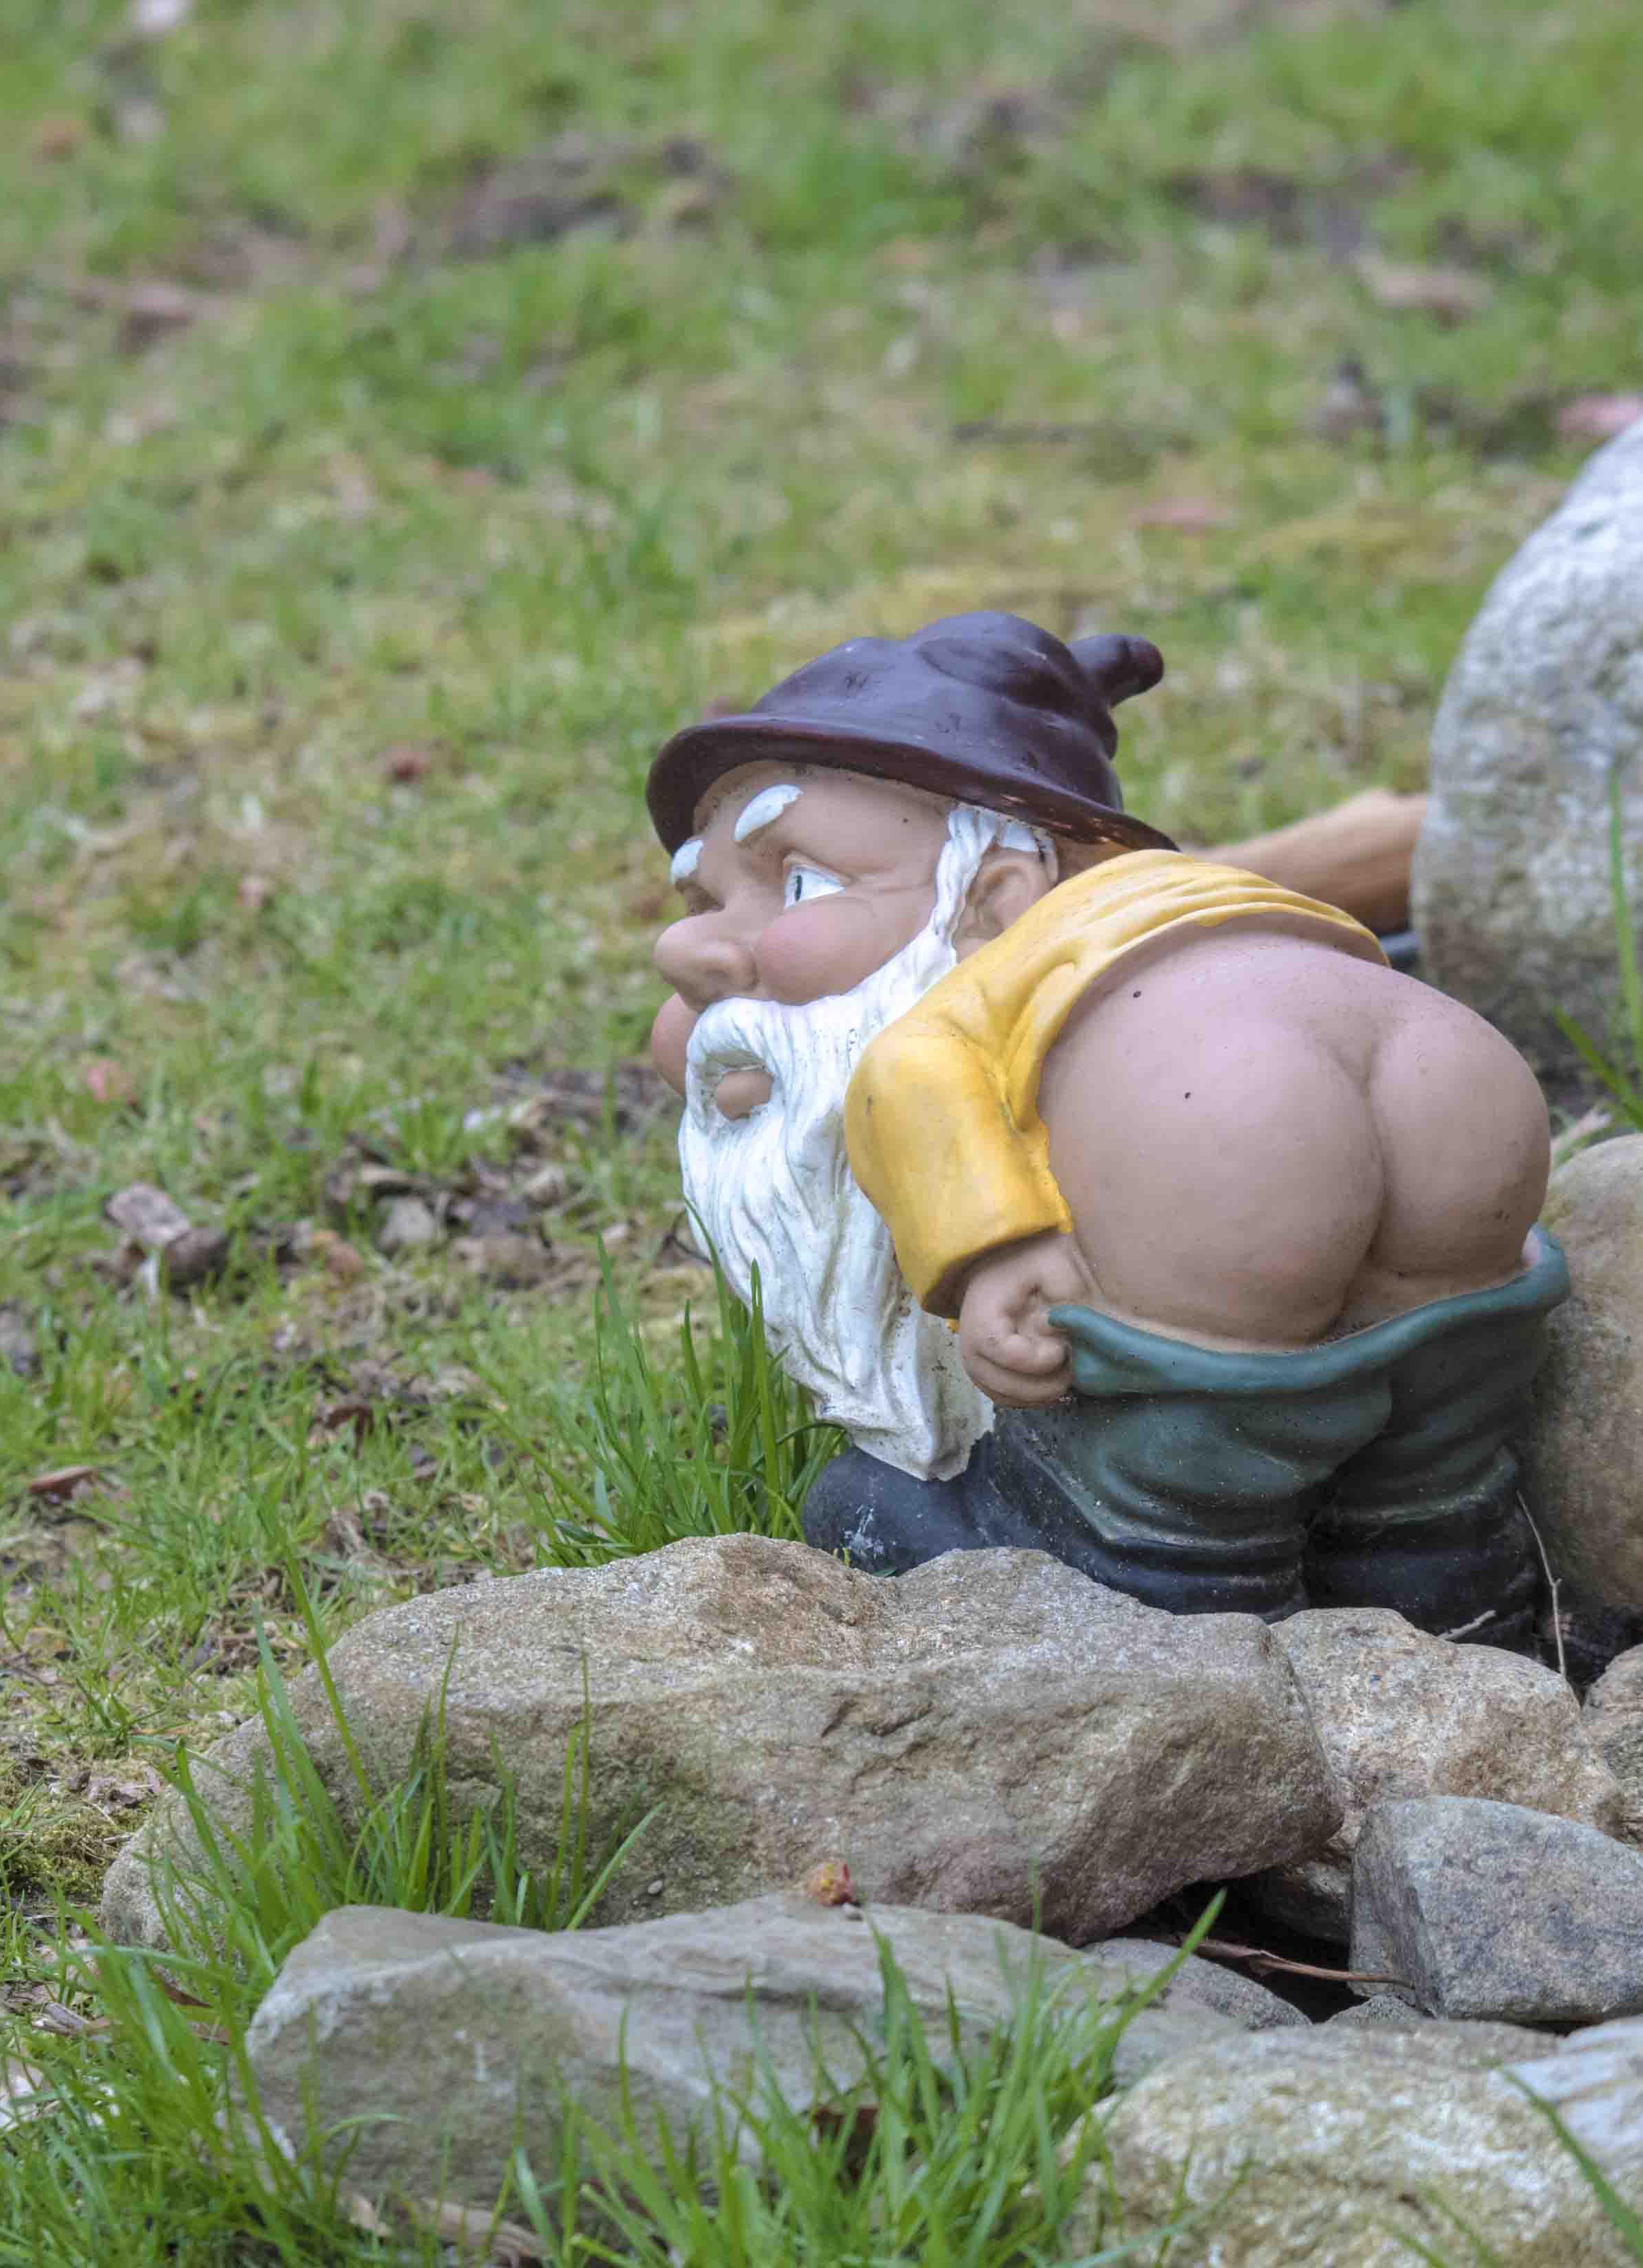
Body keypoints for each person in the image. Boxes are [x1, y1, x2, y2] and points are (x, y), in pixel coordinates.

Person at [643, 612, 1564, 1639]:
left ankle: (1190, 1605)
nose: (684, 950)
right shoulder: (1197, 906)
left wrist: (995, 1262)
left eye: (802, 882)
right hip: (1459, 1074)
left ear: (997, 894)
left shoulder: (958, 996)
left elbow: (906, 1076)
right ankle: (1457, 1587)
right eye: (704, 900)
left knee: (1176, 1471)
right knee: (1436, 1427)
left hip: (1225, 1122)